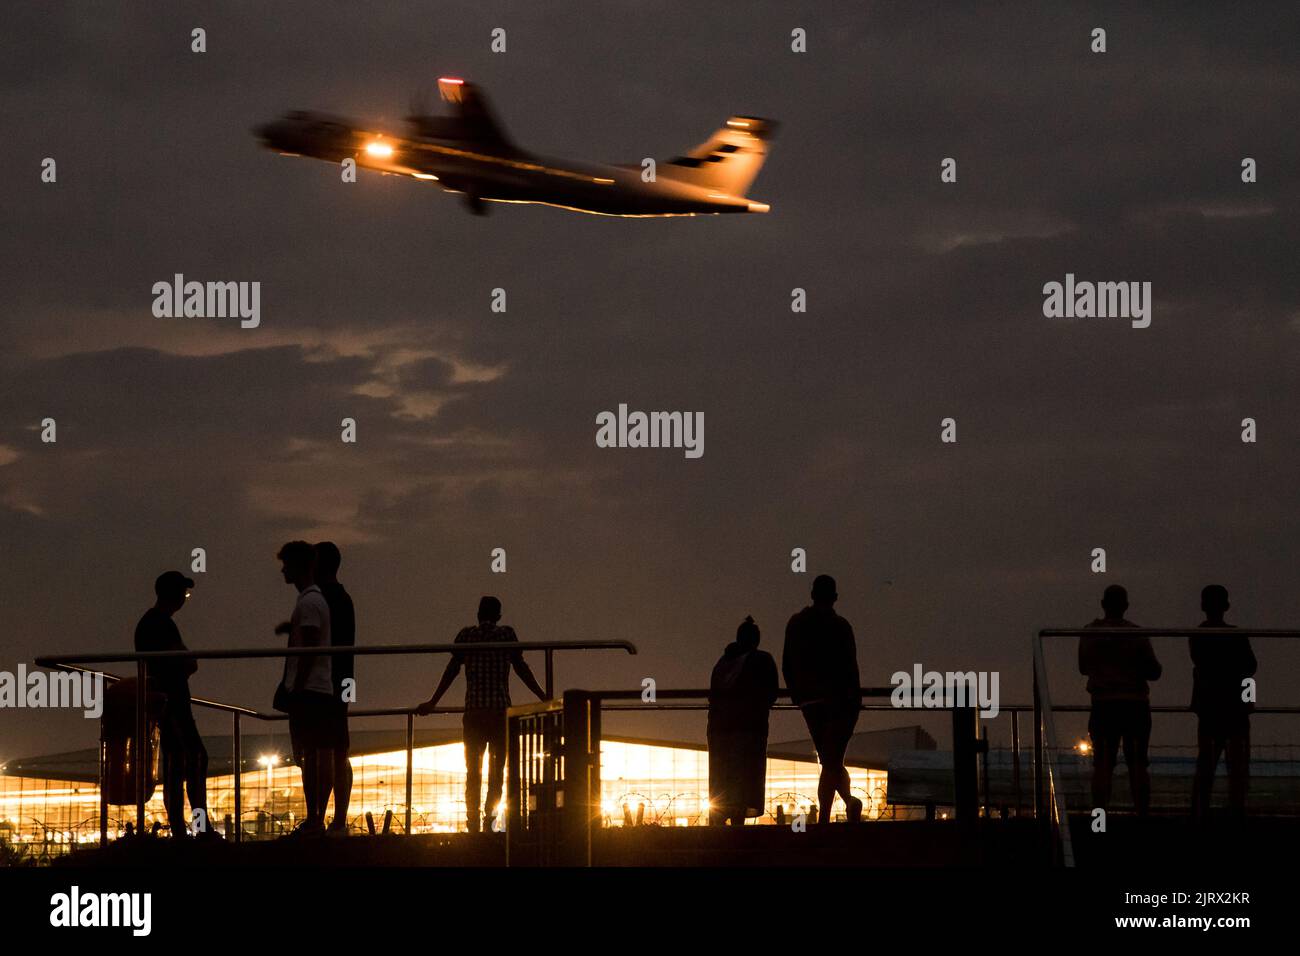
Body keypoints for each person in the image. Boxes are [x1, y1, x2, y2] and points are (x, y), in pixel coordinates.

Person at [416, 596, 547, 833]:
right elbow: (521, 669)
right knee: (497, 771)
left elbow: (451, 670)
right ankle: (490, 820)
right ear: (498, 616)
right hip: (499, 713)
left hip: (474, 714)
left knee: (473, 771)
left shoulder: (467, 636)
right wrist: (543, 696)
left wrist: (433, 701)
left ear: (478, 614)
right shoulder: (506, 635)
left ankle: (472, 822)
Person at [134, 570, 217, 839]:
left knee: (178, 762)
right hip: (173, 703)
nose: (186, 598)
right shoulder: (160, 624)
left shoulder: (151, 622)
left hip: (166, 702)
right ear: (175, 594)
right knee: (191, 760)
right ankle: (196, 828)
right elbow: (187, 662)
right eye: (184, 593)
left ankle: (184, 829)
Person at [782, 575, 863, 824]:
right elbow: (851, 667)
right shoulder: (841, 626)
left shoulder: (797, 624)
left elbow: (787, 663)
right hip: (841, 701)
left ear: (812, 595)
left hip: (811, 701)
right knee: (832, 759)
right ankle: (841, 807)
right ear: (835, 598)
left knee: (830, 760)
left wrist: (798, 694)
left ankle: (829, 817)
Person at [1078, 584, 1162, 816]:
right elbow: (1154, 671)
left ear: (1103, 604)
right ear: (1126, 606)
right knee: (1137, 764)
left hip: (1103, 704)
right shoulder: (1136, 634)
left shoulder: (1090, 633)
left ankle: (1100, 817)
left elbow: (1083, 667)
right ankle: (1141, 815)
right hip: (1135, 704)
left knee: (1103, 764)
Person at [274, 540, 334, 838]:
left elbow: (310, 646)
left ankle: (314, 819)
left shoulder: (308, 602)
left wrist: (296, 687)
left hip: (308, 690)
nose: (283, 569)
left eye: (286, 564)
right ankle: (316, 818)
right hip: (318, 689)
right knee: (314, 753)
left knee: (308, 755)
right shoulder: (315, 601)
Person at [1190, 585, 1256, 819]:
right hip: (1234, 706)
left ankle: (1200, 810)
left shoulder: (1197, 635)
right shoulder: (1236, 635)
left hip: (1209, 705)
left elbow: (1200, 663)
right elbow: (1250, 666)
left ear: (1203, 606)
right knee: (1237, 764)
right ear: (1226, 606)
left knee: (1206, 762)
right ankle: (1237, 810)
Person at [708, 616, 779, 825]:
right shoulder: (762, 660)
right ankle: (738, 821)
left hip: (719, 728)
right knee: (745, 775)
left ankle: (719, 820)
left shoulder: (722, 663)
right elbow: (771, 692)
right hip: (750, 727)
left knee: (722, 776)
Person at [315, 541, 354, 836]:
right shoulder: (344, 599)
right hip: (343, 681)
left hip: (322, 685)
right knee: (339, 750)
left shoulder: (318, 600)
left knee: (322, 750)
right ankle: (338, 820)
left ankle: (318, 818)